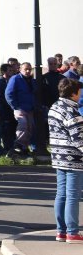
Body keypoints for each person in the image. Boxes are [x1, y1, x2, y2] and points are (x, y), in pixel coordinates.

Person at [49, 77, 83, 242]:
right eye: (79, 91)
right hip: (74, 159)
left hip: (58, 156)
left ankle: (61, 231)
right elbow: (79, 139)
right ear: (74, 93)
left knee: (61, 194)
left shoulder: (54, 107)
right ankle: (73, 232)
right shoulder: (72, 111)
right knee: (72, 196)